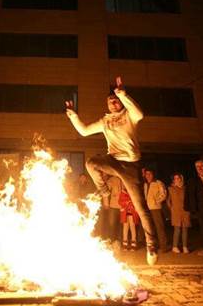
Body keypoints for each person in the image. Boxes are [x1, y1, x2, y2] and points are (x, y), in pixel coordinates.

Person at [65, 76, 158, 265]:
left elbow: (140, 114)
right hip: (112, 160)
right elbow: (83, 131)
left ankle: (151, 246)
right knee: (91, 163)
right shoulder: (104, 121)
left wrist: (122, 94)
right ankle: (104, 190)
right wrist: (74, 116)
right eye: (110, 101)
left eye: (115, 101)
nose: (113, 103)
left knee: (141, 208)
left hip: (131, 165)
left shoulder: (129, 115)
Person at [143, 168, 168, 252]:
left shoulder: (158, 183)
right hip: (147, 209)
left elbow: (163, 194)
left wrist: (156, 201)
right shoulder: (145, 184)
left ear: (153, 174)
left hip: (156, 208)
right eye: (147, 174)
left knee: (159, 227)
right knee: (150, 228)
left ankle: (163, 247)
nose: (148, 176)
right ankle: (154, 246)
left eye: (150, 174)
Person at [167, 173, 191, 254]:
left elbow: (188, 199)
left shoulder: (185, 188)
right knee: (177, 229)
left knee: (185, 229)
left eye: (178, 178)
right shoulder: (170, 189)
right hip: (176, 211)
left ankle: (185, 246)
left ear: (181, 179)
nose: (177, 179)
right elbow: (168, 201)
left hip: (185, 211)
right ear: (173, 180)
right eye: (175, 178)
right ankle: (175, 246)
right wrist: (172, 208)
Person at [119, 184, 138, 250]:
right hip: (125, 213)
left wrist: (130, 203)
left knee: (132, 227)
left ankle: (134, 244)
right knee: (125, 228)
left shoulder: (133, 191)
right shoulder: (122, 192)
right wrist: (127, 202)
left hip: (132, 213)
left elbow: (135, 201)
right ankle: (125, 244)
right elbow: (120, 201)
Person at [105, 176, 122, 244]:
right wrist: (106, 202)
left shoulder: (123, 178)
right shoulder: (112, 179)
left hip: (123, 206)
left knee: (121, 225)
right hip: (113, 206)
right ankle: (111, 240)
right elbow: (105, 192)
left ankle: (119, 241)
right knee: (112, 225)